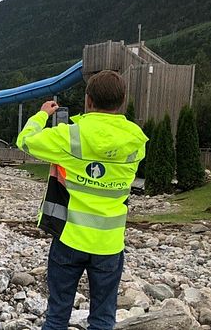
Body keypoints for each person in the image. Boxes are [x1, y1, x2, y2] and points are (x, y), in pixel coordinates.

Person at [16, 70, 147, 330]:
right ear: (122, 102)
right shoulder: (136, 139)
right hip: (109, 243)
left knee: (57, 315)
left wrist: (43, 114)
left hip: (70, 238)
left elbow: (25, 142)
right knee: (103, 317)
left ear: (88, 100)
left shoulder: (69, 136)